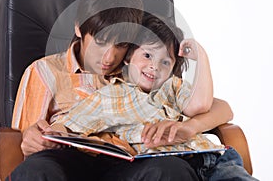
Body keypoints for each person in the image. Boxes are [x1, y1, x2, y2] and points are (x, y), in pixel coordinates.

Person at [8, 0, 230, 181]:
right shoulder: (45, 71)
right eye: (101, 41)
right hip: (70, 165)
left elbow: (216, 107)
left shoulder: (139, 69)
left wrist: (189, 127)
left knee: (170, 170)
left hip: (132, 162)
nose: (110, 57)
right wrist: (32, 139)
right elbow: (22, 141)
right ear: (78, 28)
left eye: (121, 45)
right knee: (37, 170)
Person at [54, 13, 258, 180]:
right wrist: (52, 132)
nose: (154, 66)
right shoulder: (109, 96)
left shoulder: (172, 87)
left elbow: (200, 106)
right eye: (147, 55)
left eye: (165, 62)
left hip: (213, 160)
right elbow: (70, 123)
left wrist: (202, 58)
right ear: (128, 58)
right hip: (164, 166)